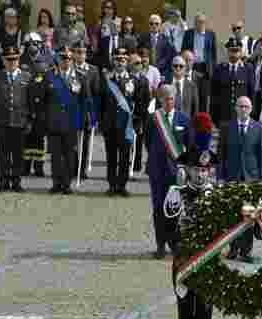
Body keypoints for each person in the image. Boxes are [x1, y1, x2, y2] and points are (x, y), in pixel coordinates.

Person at [166, 114, 217, 319]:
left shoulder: (216, 195)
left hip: (208, 260)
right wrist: (179, 252)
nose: (200, 174)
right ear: (188, 170)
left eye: (205, 170)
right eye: (197, 169)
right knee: (185, 307)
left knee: (205, 308)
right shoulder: (177, 193)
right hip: (184, 260)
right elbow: (169, 228)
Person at [146, 84, 194, 259]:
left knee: (174, 208)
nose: (168, 101)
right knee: (158, 208)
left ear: (176, 99)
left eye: (171, 98)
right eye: (165, 98)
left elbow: (189, 145)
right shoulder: (153, 119)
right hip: (157, 170)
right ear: (160, 99)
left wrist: (186, 168)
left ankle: (175, 244)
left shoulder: (184, 119)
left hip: (176, 172)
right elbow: (148, 142)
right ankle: (160, 244)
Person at [218, 96, 262, 261]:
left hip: (251, 177)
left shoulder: (258, 128)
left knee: (249, 216)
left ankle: (246, 251)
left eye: (246, 107)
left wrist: (260, 179)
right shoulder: (226, 127)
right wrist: (220, 177)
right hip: (232, 176)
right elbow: (221, 154)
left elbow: (260, 155)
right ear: (235, 108)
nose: (243, 109)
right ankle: (233, 248)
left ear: (251, 109)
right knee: (233, 215)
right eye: (240, 106)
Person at [44, 45, 88, 195]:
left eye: (69, 58)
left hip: (72, 122)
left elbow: (85, 101)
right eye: (63, 57)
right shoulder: (50, 75)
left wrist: (84, 121)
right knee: (56, 155)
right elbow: (44, 100)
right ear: (58, 58)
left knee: (70, 154)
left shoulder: (80, 76)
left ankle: (67, 183)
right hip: (54, 122)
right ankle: (56, 183)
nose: (66, 60)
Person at [0, 46, 32, 192]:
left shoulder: (27, 77)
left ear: (19, 60)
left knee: (19, 154)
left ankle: (17, 182)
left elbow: (30, 101)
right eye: (9, 60)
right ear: (3, 60)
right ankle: (4, 181)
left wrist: (30, 120)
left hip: (20, 121)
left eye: (14, 59)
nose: (12, 62)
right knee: (4, 154)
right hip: (3, 121)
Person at [99, 47, 141, 196]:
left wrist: (137, 123)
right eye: (117, 59)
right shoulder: (106, 80)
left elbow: (139, 103)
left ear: (127, 61)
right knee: (111, 157)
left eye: (123, 59)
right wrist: (100, 122)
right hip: (110, 124)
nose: (120, 62)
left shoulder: (133, 80)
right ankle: (111, 185)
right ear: (113, 60)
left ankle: (122, 185)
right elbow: (100, 102)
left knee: (124, 157)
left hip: (126, 126)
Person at [20, 32, 51, 178]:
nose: (33, 46)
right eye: (30, 44)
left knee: (39, 138)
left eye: (36, 43)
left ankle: (38, 167)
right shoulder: (20, 60)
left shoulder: (47, 61)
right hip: (24, 105)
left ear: (40, 45)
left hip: (41, 107)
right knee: (26, 138)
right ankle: (25, 166)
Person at [210, 38, 255, 133]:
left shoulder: (248, 69)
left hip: (242, 116)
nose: (234, 54)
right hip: (223, 116)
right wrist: (213, 118)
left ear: (241, 52)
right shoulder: (219, 69)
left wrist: (251, 115)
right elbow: (214, 95)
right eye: (231, 51)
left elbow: (251, 94)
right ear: (227, 52)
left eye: (236, 51)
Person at [72, 39, 101, 181]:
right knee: (71, 142)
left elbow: (96, 94)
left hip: (87, 112)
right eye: (77, 52)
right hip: (72, 110)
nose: (80, 55)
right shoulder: (68, 68)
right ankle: (72, 167)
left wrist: (94, 114)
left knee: (85, 142)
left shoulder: (93, 70)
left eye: (83, 52)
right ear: (73, 54)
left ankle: (82, 169)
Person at [181, 13, 217, 112]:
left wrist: (213, 69)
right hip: (191, 67)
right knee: (191, 94)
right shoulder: (188, 33)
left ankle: (203, 119)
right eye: (197, 22)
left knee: (204, 95)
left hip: (205, 68)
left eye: (201, 22)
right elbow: (183, 50)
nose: (199, 24)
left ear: (205, 23)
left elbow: (213, 54)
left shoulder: (211, 34)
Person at [142, 14, 175, 80]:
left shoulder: (166, 40)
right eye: (151, 24)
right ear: (148, 25)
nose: (154, 26)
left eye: (156, 24)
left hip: (161, 73)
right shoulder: (142, 39)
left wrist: (165, 75)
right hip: (146, 72)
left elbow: (168, 59)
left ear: (160, 25)